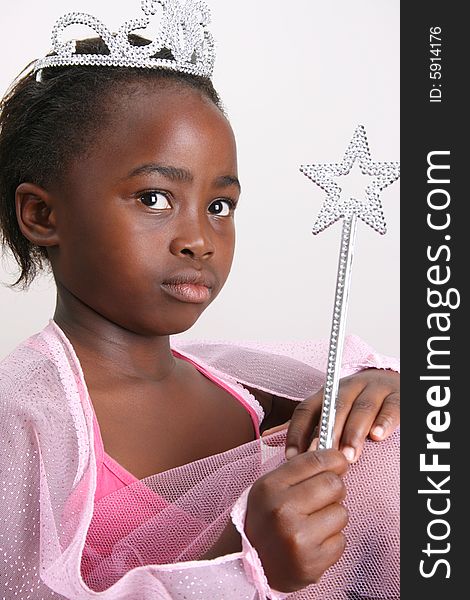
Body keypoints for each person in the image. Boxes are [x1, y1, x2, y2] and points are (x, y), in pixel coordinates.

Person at [0, 1, 400, 598]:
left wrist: (381, 397)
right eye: (155, 198)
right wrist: (243, 561)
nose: (198, 241)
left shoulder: (246, 389)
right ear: (42, 214)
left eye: (219, 206)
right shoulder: (22, 421)